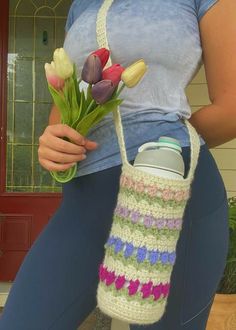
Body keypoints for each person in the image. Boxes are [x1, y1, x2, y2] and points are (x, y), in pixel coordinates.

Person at [1, 0, 235, 329]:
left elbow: (232, 105)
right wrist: (54, 142)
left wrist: (163, 143)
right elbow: (68, 102)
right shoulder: (81, 6)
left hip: (168, 196)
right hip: (84, 200)